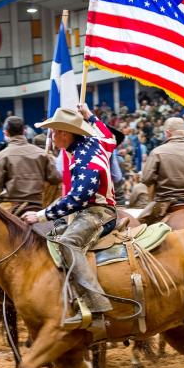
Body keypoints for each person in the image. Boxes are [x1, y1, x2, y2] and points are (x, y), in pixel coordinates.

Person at [22, 105, 116, 330]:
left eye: (54, 132)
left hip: (99, 213)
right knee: (51, 238)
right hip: (91, 209)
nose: (52, 137)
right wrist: (90, 116)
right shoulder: (94, 142)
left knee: (68, 243)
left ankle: (97, 309)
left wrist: (41, 215)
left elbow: (78, 199)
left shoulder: (84, 159)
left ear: (65, 133)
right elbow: (110, 138)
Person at [0, 116, 61, 210]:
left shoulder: (0, 157)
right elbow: (55, 178)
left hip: (11, 207)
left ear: (6, 132)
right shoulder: (42, 154)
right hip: (38, 205)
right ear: (24, 131)